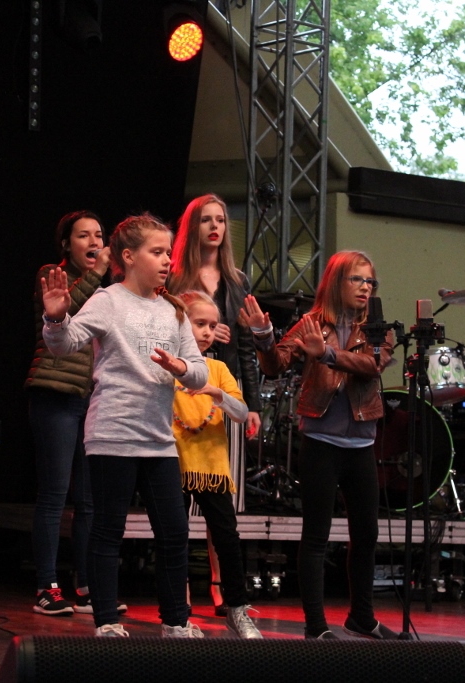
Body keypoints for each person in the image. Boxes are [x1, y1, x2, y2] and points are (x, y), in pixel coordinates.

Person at [41, 213, 208, 638]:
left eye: (168, 252)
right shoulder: (108, 300)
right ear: (129, 256)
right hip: (113, 434)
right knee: (108, 531)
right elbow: (64, 345)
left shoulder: (174, 309)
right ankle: (107, 622)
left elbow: (200, 373)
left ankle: (176, 621)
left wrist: (182, 367)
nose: (167, 260)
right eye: (157, 252)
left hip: (158, 440)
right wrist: (56, 319)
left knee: (174, 532)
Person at [238, 250, 398, 640]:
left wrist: (325, 353)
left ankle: (362, 617)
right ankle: (316, 626)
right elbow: (275, 365)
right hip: (321, 442)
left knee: (367, 535)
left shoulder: (377, 328)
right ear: (336, 282)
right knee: (316, 536)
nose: (365, 287)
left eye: (370, 281)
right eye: (357, 279)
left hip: (361, 444)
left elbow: (372, 366)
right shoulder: (311, 323)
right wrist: (263, 335)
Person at [168, 194, 261, 615]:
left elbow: (247, 347)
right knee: (178, 502)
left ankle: (221, 584)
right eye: (206, 220)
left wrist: (252, 402)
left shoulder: (237, 280)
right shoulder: (174, 278)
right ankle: (182, 588)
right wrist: (198, 332)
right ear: (193, 227)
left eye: (220, 220)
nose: (215, 227)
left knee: (220, 497)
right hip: (179, 386)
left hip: (223, 387)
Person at [24, 211, 115, 616]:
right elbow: (66, 311)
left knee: (89, 500)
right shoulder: (53, 274)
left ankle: (87, 584)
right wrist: (97, 274)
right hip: (55, 393)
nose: (94, 242)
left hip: (90, 396)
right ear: (66, 244)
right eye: (84, 236)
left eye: (99, 235)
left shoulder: (106, 287)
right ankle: (46, 586)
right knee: (54, 494)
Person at [172, 290, 261, 638]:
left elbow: (240, 412)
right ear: (181, 324)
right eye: (200, 324)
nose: (208, 332)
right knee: (174, 537)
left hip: (211, 468)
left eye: (212, 326)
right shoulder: (169, 365)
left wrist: (215, 392)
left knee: (226, 537)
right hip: (176, 464)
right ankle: (178, 612)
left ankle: (237, 608)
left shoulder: (218, 369)